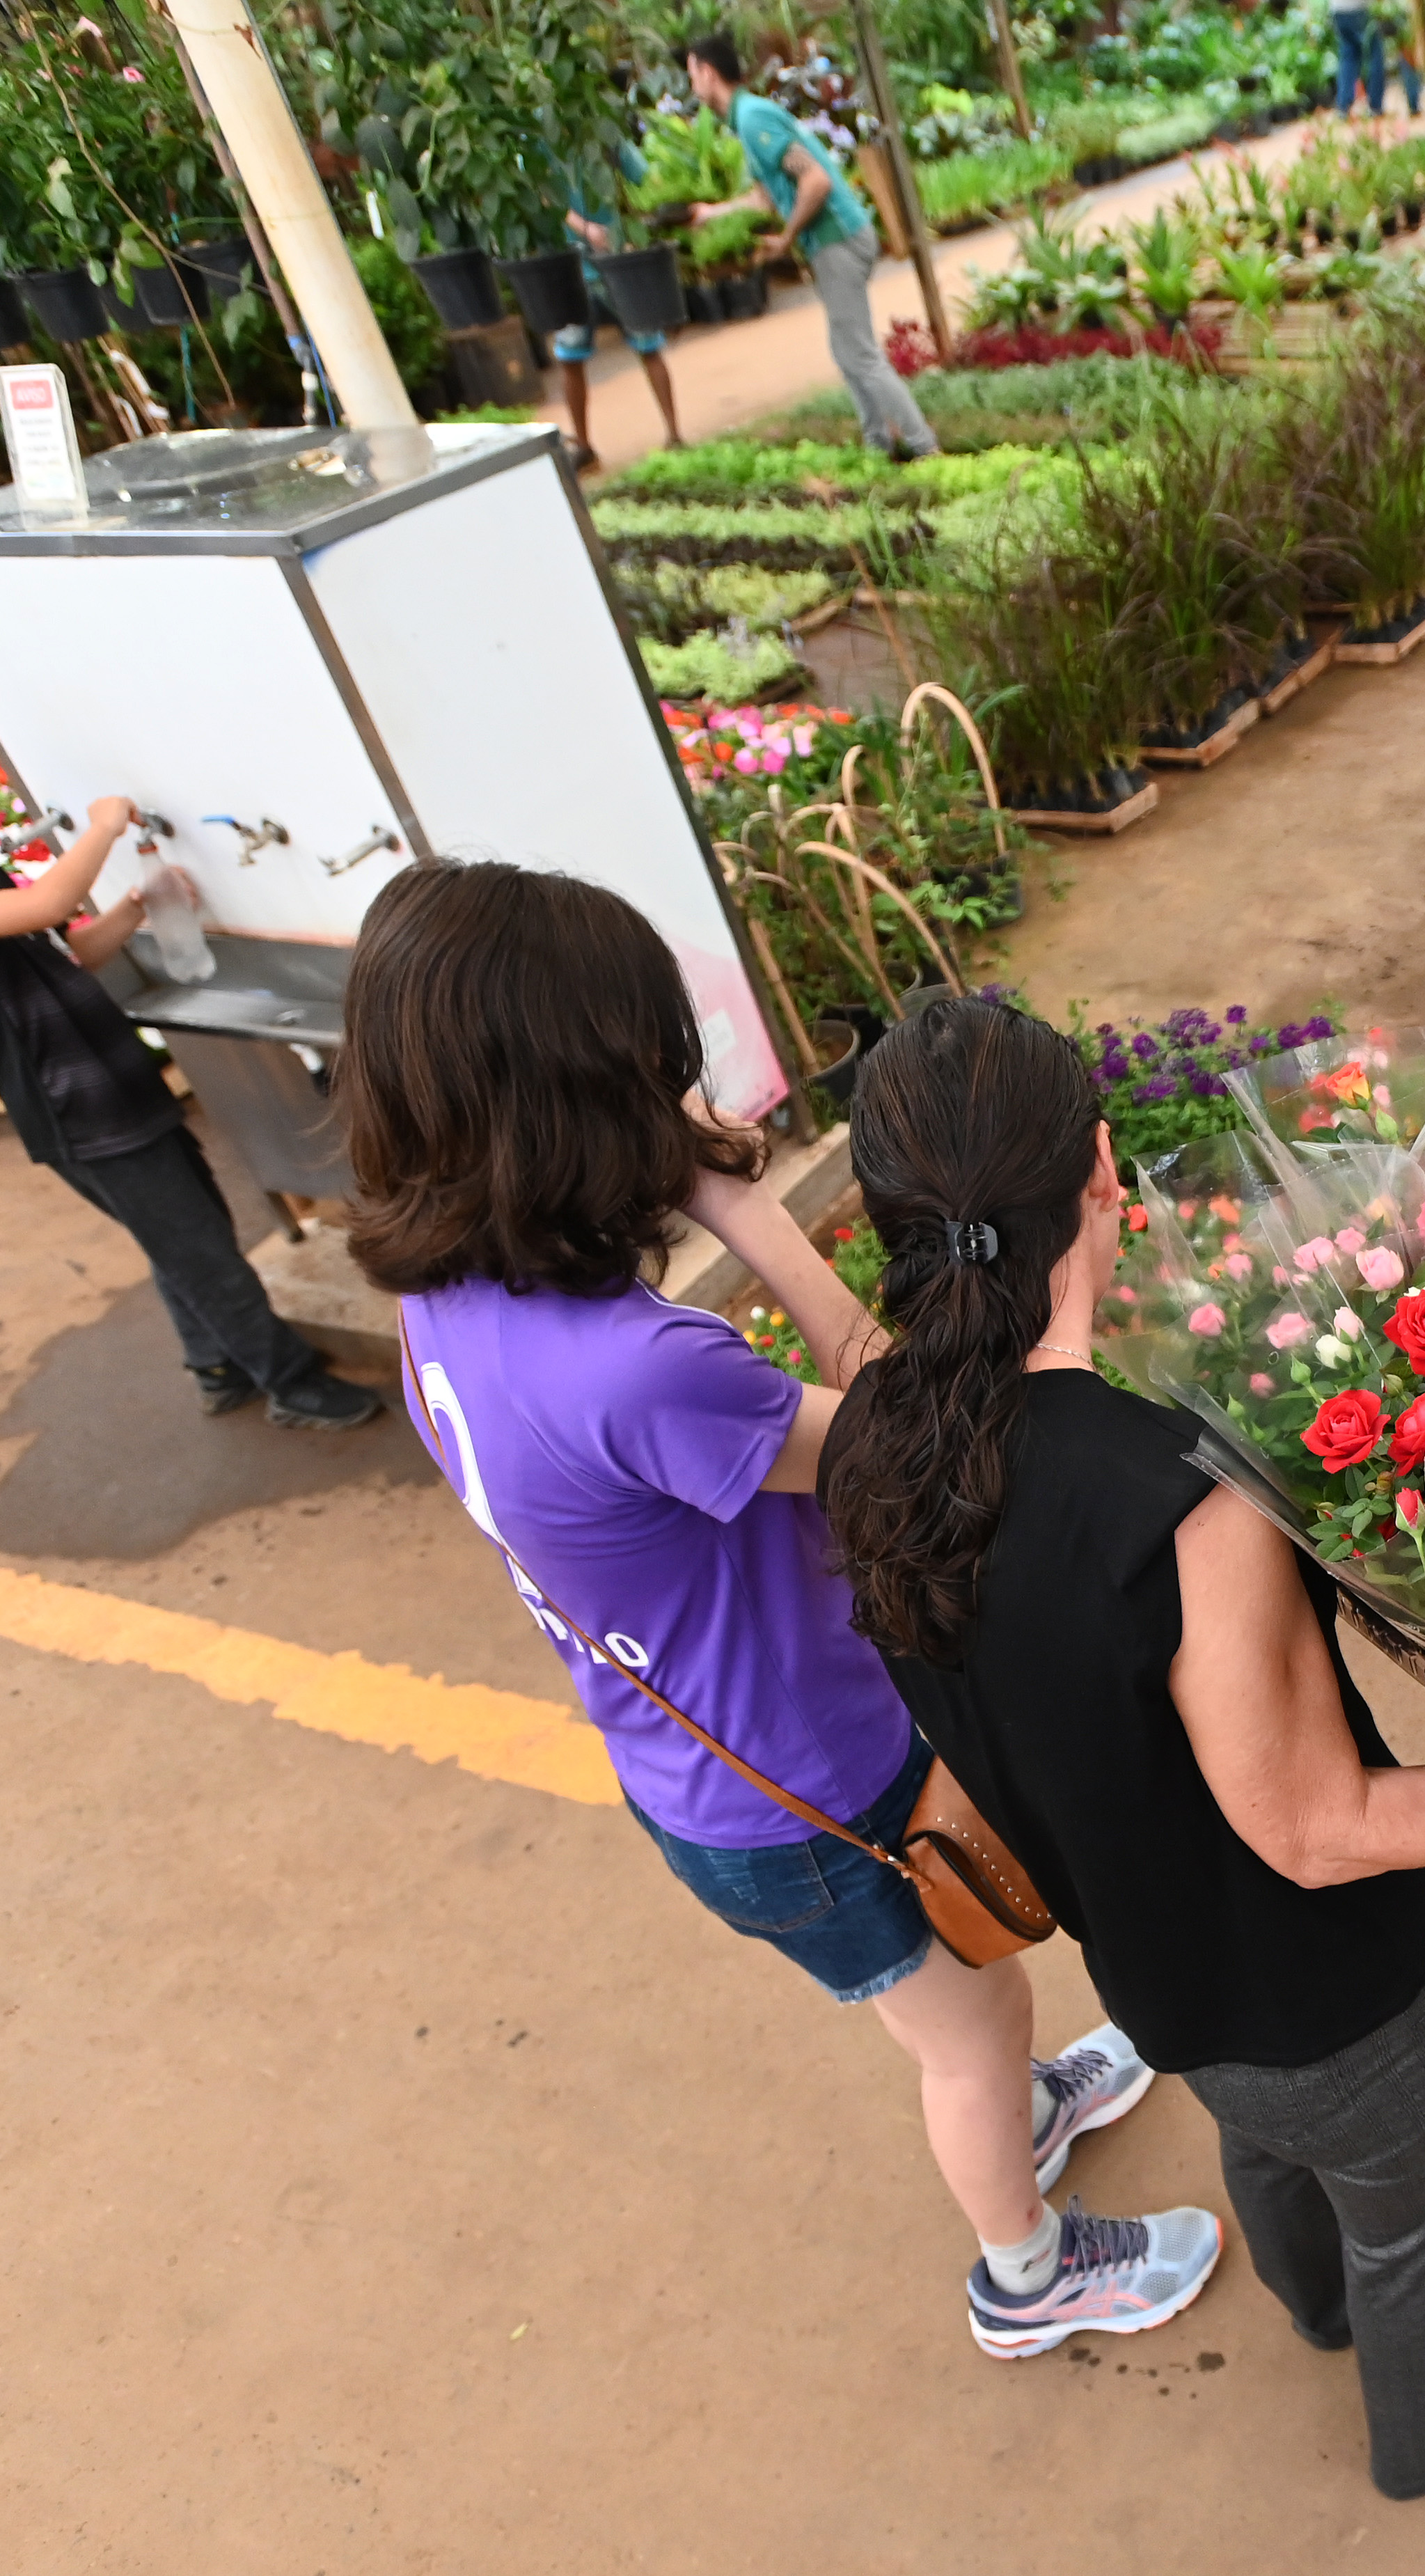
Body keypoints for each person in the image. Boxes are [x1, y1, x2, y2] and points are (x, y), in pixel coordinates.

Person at [333, 866, 1216, 2359]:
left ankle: (1017, 2103)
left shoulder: (446, 1301)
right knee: (966, 2022)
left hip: (698, 1766)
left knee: (932, 1988)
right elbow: (909, 1442)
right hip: (809, 1785)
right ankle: (1026, 2270)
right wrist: (750, 1209)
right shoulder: (642, 1370)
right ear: (588, 1104)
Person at [819, 996, 1425, 2499]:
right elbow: (1318, 1829)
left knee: (1270, 2151)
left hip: (1156, 1983)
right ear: (1105, 1169)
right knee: (1410, 2215)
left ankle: (1312, 2302)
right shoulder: (1178, 1497)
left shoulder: (875, 1442)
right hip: (1340, 1996)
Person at [0, 704, 377, 1433]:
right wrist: (104, 826)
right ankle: (292, 1385)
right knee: (199, 1245)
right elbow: (50, 899)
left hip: (112, 1083)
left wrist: (136, 909)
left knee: (183, 1228)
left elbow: (64, 953)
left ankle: (215, 1365)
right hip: (79, 1109)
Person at [681, 31, 935, 462]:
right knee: (847, 353)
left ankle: (923, 447)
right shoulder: (747, 118)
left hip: (839, 240)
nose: (691, 87)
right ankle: (879, 445)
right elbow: (764, 196)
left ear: (708, 73)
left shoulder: (754, 119)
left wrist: (787, 237)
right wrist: (712, 212)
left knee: (860, 354)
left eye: (691, 75)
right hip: (834, 241)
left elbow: (814, 180)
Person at [555, 143, 680, 471]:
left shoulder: (603, 131)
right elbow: (541, 196)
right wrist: (586, 228)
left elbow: (646, 183)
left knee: (648, 343)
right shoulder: (539, 136)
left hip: (619, 257)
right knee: (569, 357)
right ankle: (583, 445)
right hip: (572, 265)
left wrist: (634, 226)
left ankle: (674, 434)